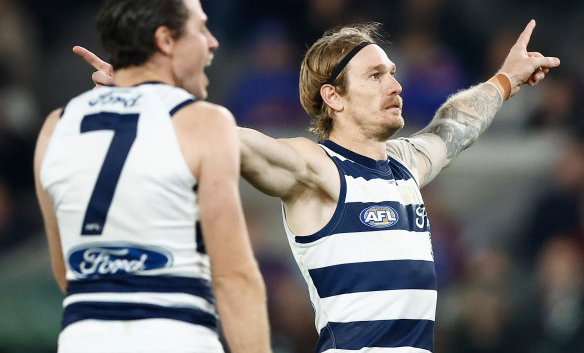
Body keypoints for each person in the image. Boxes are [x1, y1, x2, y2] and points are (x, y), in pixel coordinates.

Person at [77, 19, 559, 352]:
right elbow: (231, 138)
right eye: (375, 75)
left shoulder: (405, 164)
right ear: (334, 96)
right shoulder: (318, 169)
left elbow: (454, 125)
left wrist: (504, 81)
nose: (395, 85)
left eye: (393, 73)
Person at [33, 0, 271, 352]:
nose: (212, 43)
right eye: (201, 29)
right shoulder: (206, 122)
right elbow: (234, 278)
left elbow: (68, 273)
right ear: (165, 40)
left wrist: (126, 92)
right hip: (176, 336)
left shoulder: (54, 127)